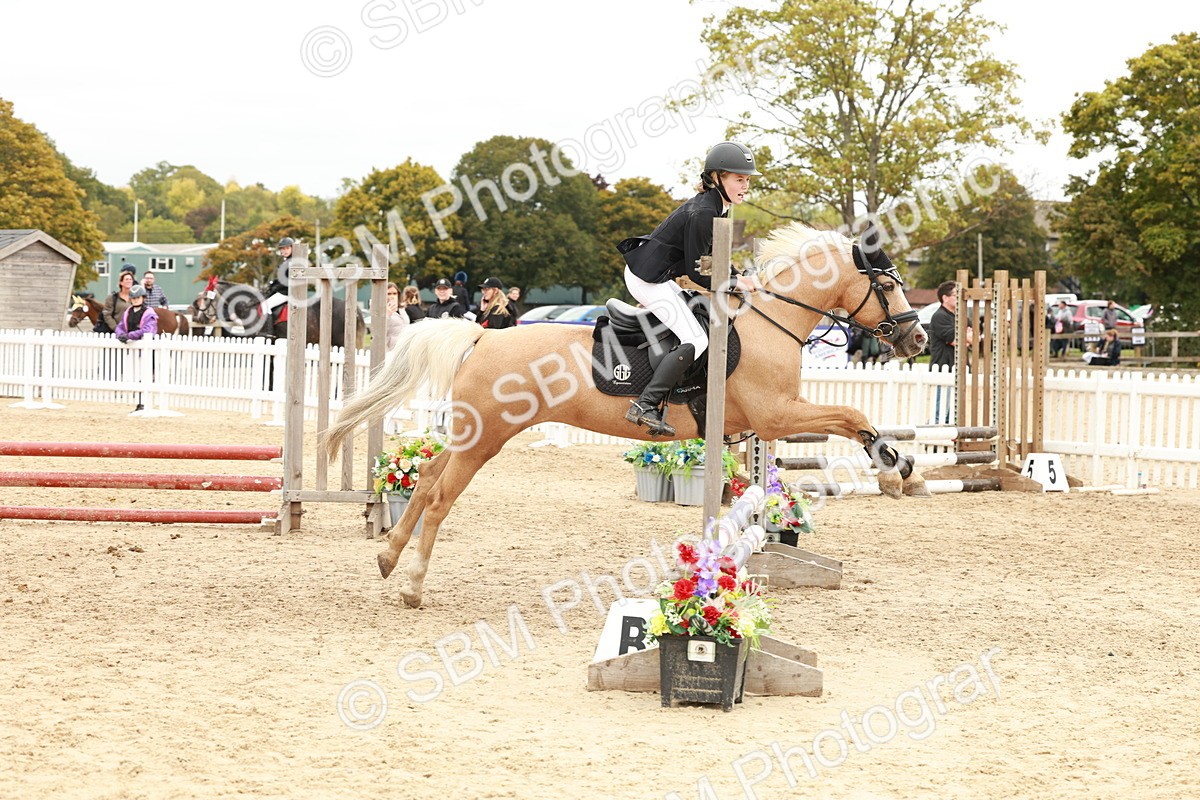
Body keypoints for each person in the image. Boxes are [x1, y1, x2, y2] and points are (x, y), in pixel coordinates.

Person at [617, 141, 761, 436]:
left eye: (746, 180)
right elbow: (699, 270)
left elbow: (714, 257)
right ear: (717, 177)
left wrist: (737, 275)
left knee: (698, 318)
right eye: (738, 179)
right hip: (647, 279)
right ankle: (645, 404)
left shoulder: (718, 207)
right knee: (696, 340)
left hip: (660, 275)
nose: (744, 185)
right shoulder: (704, 213)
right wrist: (735, 282)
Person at [115, 284, 159, 413]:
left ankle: (144, 404)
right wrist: (120, 335)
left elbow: (147, 330)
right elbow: (120, 326)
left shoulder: (149, 313)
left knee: (145, 376)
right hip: (133, 349)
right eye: (133, 298)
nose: (135, 300)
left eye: (138, 298)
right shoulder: (128, 311)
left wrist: (129, 336)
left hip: (146, 349)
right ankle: (139, 404)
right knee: (134, 376)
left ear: (143, 298)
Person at [384, 282, 410, 350]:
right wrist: (387, 315)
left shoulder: (402, 309)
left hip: (404, 347)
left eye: (395, 293)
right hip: (389, 349)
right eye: (389, 294)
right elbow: (379, 331)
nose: (392, 296)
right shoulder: (381, 310)